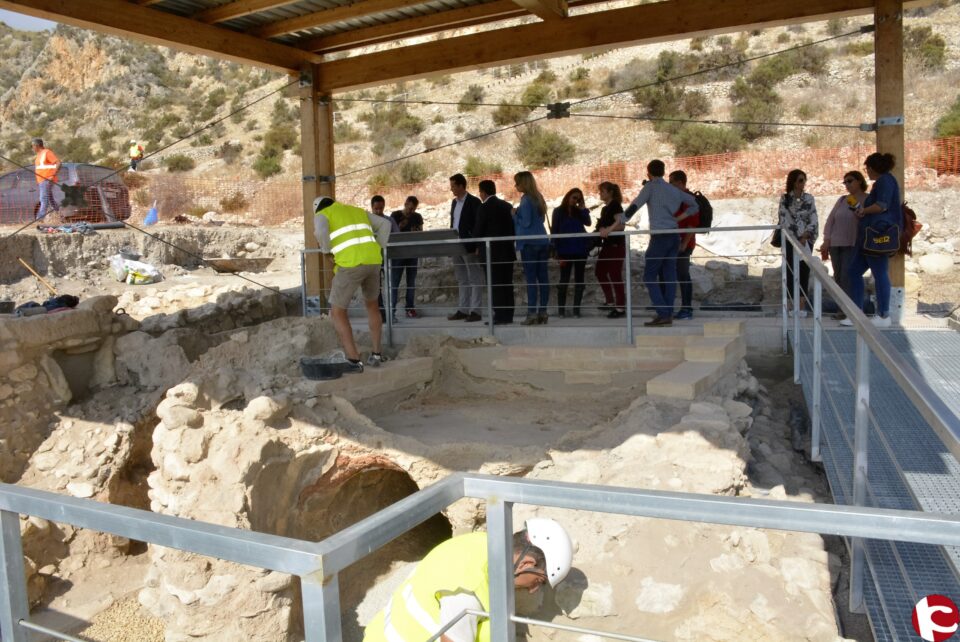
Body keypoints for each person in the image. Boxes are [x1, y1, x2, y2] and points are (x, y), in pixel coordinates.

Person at [363, 518, 573, 642]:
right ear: (526, 564)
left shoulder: (482, 543)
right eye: (540, 581)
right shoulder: (468, 590)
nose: (534, 589)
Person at [313, 197, 393, 371]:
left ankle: (354, 360)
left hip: (350, 264)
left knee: (337, 312)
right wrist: (378, 247)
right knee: (372, 306)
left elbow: (320, 231)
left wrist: (326, 251)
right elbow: (386, 225)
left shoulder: (322, 213)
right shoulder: (356, 210)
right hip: (373, 261)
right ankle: (376, 354)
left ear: (317, 208)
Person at [624, 160, 699, 327]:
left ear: (648, 173)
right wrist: (678, 218)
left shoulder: (650, 187)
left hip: (660, 237)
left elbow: (634, 206)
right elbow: (695, 204)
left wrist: (615, 224)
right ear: (664, 172)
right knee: (670, 274)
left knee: (649, 276)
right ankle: (667, 314)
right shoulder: (672, 189)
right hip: (674, 236)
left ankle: (663, 313)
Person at [842, 153, 901, 328]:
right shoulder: (884, 181)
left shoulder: (885, 181)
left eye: (867, 168)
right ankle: (857, 313)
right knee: (854, 271)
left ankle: (883, 315)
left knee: (880, 272)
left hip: (877, 235)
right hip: (868, 236)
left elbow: (881, 205)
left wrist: (863, 211)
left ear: (873, 168)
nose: (866, 171)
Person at [819, 171, 866, 320]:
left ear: (859, 181)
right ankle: (842, 309)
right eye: (845, 182)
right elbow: (830, 220)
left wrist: (859, 211)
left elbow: (865, 219)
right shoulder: (842, 200)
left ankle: (848, 311)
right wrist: (826, 240)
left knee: (847, 276)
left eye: (850, 181)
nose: (847, 184)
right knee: (838, 277)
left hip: (852, 243)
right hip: (835, 243)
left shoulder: (867, 199)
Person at [473, 180, 516, 325]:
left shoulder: (483, 207)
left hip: (491, 253)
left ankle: (499, 316)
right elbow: (513, 228)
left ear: (483, 192)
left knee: (495, 285)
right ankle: (508, 315)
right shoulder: (506, 205)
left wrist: (474, 241)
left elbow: (478, 230)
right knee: (507, 284)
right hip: (507, 251)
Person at [778, 169, 818, 316]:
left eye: (804, 180)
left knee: (804, 272)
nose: (803, 183)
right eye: (800, 180)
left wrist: (805, 235)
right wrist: (794, 238)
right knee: (790, 272)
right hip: (790, 241)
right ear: (793, 182)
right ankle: (790, 306)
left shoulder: (809, 198)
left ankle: (801, 307)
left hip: (806, 241)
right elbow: (783, 219)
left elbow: (813, 218)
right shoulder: (785, 199)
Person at [513, 171, 550, 325]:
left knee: (531, 280)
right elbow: (541, 219)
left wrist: (515, 214)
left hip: (529, 243)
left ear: (524, 184)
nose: (515, 186)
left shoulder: (526, 200)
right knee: (543, 278)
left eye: (517, 183)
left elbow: (526, 222)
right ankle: (543, 312)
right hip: (542, 241)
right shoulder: (538, 197)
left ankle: (532, 314)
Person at [550, 188, 591, 318]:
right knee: (564, 279)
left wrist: (583, 208)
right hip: (564, 250)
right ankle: (561, 311)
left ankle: (576, 311)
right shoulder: (558, 211)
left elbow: (588, 223)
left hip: (580, 250)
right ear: (568, 196)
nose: (575, 200)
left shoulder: (579, 211)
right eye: (574, 197)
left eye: (578, 199)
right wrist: (554, 249)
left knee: (579, 280)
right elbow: (554, 230)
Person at [448, 174, 484, 322]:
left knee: (475, 278)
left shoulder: (474, 202)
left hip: (469, 246)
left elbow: (478, 224)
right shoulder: (454, 203)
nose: (451, 189)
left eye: (453, 186)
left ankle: (475, 311)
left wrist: (477, 245)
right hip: (456, 245)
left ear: (461, 186)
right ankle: (463, 309)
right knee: (462, 278)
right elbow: (453, 223)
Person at [666, 170, 700, 320]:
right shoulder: (677, 199)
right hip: (674, 243)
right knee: (672, 274)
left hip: (683, 245)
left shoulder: (688, 199)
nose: (669, 185)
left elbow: (692, 225)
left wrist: (684, 244)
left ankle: (686, 308)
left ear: (680, 183)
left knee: (683, 274)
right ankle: (668, 307)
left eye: (671, 182)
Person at [595, 181, 626, 318]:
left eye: (602, 191)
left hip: (616, 245)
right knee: (600, 272)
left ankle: (620, 307)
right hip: (607, 245)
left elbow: (621, 226)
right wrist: (602, 228)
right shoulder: (605, 209)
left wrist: (607, 229)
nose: (600, 194)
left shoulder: (615, 206)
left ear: (610, 192)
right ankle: (610, 301)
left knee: (615, 275)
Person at [390, 195, 424, 319]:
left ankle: (410, 308)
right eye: (410, 208)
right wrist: (400, 227)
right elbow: (390, 234)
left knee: (411, 282)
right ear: (405, 204)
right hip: (398, 254)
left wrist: (417, 231)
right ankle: (392, 311)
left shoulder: (417, 217)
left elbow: (421, 233)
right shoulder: (395, 215)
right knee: (395, 283)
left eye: (414, 209)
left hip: (412, 253)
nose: (411, 211)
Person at [371, 195, 401, 323]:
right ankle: (382, 314)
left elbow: (397, 237)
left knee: (391, 286)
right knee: (376, 288)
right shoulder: (367, 222)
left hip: (389, 258)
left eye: (381, 208)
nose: (379, 211)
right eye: (376, 209)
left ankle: (391, 313)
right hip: (373, 259)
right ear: (372, 207)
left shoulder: (389, 221)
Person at [31, 138, 61, 221]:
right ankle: (58, 215)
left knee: (43, 198)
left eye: (32, 146)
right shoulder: (39, 155)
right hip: (42, 180)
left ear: (37, 145)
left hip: (47, 179)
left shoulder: (47, 152)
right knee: (50, 199)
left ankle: (40, 218)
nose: (32, 148)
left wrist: (53, 175)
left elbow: (58, 163)